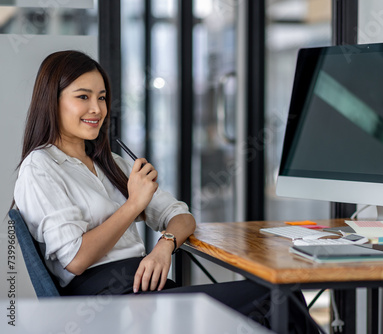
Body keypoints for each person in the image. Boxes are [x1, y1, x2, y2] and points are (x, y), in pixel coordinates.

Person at [13, 50, 316, 333]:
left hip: (144, 289)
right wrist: (133, 205)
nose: (97, 109)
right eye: (83, 97)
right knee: (272, 298)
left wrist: (164, 247)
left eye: (102, 98)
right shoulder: (40, 167)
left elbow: (181, 216)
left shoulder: (112, 163)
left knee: (276, 297)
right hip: (105, 304)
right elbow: (75, 259)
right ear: (52, 101)